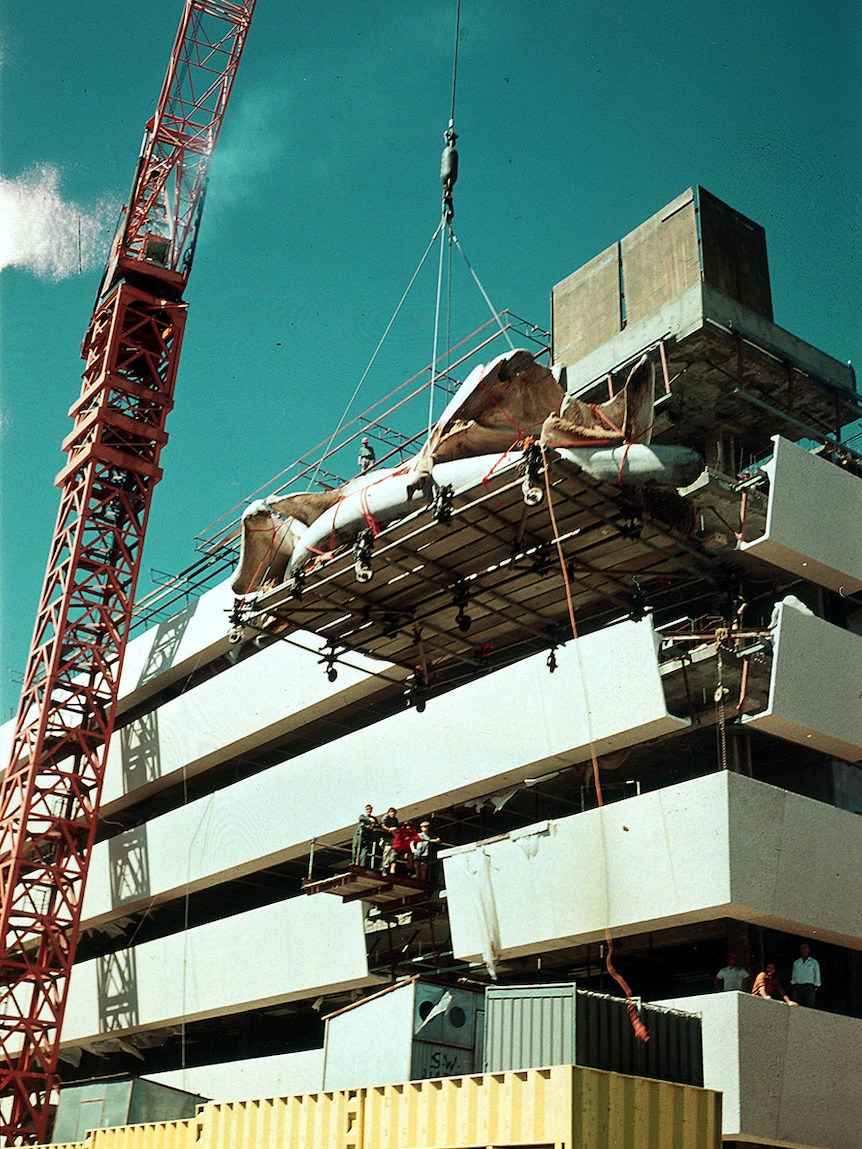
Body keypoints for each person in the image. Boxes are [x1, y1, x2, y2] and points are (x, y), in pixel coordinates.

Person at [790, 942, 821, 1007]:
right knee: (796, 1006)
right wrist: (793, 983)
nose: (802, 950)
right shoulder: (797, 962)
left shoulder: (813, 962)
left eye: (804, 948)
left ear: (809, 949)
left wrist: (816, 985)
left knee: (809, 1006)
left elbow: (817, 974)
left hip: (809, 987)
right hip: (798, 987)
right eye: (801, 948)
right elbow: (794, 974)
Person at [379, 807, 399, 872]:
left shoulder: (395, 820)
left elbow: (396, 827)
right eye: (391, 812)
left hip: (391, 838)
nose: (393, 813)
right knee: (387, 851)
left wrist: (394, 830)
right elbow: (383, 826)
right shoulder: (385, 817)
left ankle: (384, 867)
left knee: (391, 852)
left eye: (394, 812)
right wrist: (389, 829)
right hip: (385, 837)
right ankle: (384, 867)